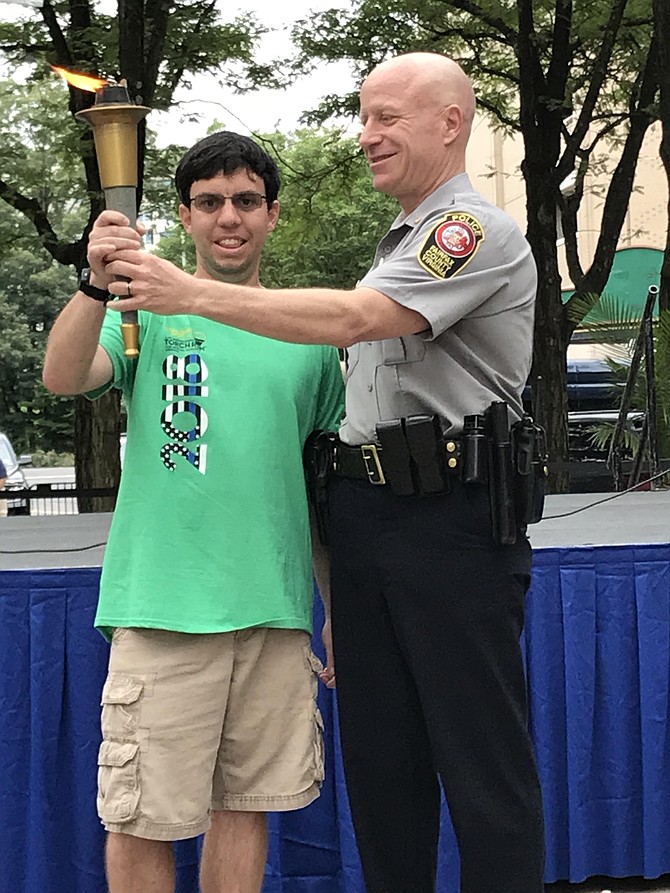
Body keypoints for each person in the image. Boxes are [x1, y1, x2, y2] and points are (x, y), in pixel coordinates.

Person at [92, 52, 546, 893]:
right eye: (364, 116)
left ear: (451, 123)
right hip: (370, 521)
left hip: (454, 519)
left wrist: (189, 292)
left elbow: (358, 316)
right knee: (384, 771)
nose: (367, 135)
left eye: (388, 117)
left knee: (482, 772)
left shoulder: (469, 232)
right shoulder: (400, 240)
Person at [42, 131, 345, 893]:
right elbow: (63, 374)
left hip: (274, 612)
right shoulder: (142, 316)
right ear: (185, 215)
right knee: (140, 815)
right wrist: (94, 284)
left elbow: (321, 492)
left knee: (246, 807)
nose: (229, 217)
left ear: (273, 214)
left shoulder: (307, 338)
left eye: (246, 200)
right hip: (164, 609)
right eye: (209, 202)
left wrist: (335, 605)